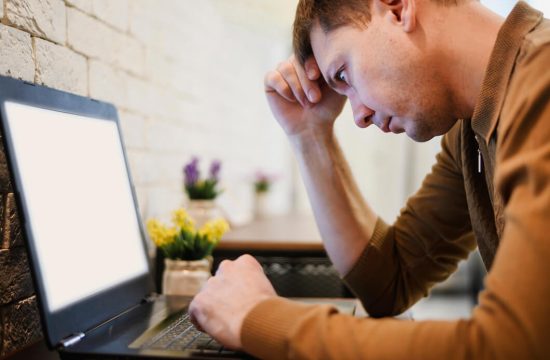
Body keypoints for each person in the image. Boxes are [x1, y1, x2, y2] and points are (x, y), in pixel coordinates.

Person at [189, 0, 550, 358]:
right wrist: (310, 134)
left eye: (343, 74)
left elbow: (510, 345)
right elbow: (392, 280)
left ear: (396, 8)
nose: (358, 115)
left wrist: (257, 319)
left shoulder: (542, 82)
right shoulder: (470, 131)